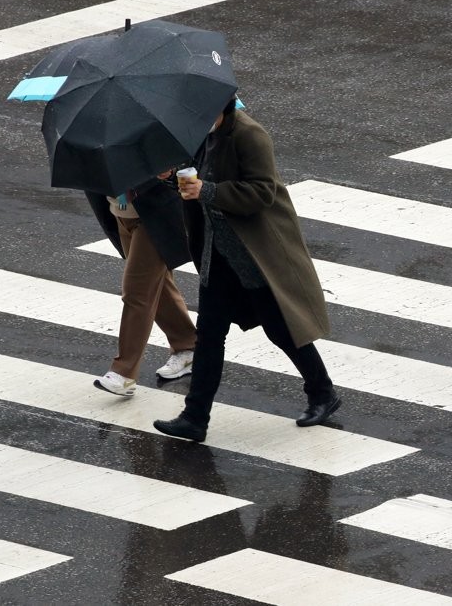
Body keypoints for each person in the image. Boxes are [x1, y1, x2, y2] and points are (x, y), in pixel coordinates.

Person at [153, 98, 340, 442]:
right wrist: (172, 179)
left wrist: (206, 190)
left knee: (281, 330)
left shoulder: (250, 135)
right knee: (208, 337)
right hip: (217, 254)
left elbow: (263, 192)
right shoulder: (201, 133)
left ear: (221, 107)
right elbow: (195, 179)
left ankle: (322, 392)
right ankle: (195, 418)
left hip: (253, 256)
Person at [87, 175, 197, 396]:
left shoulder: (147, 140)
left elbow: (186, 160)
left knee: (137, 292)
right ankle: (188, 345)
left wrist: (170, 171)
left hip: (155, 216)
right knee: (158, 286)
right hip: (121, 213)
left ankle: (124, 373)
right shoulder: (95, 141)